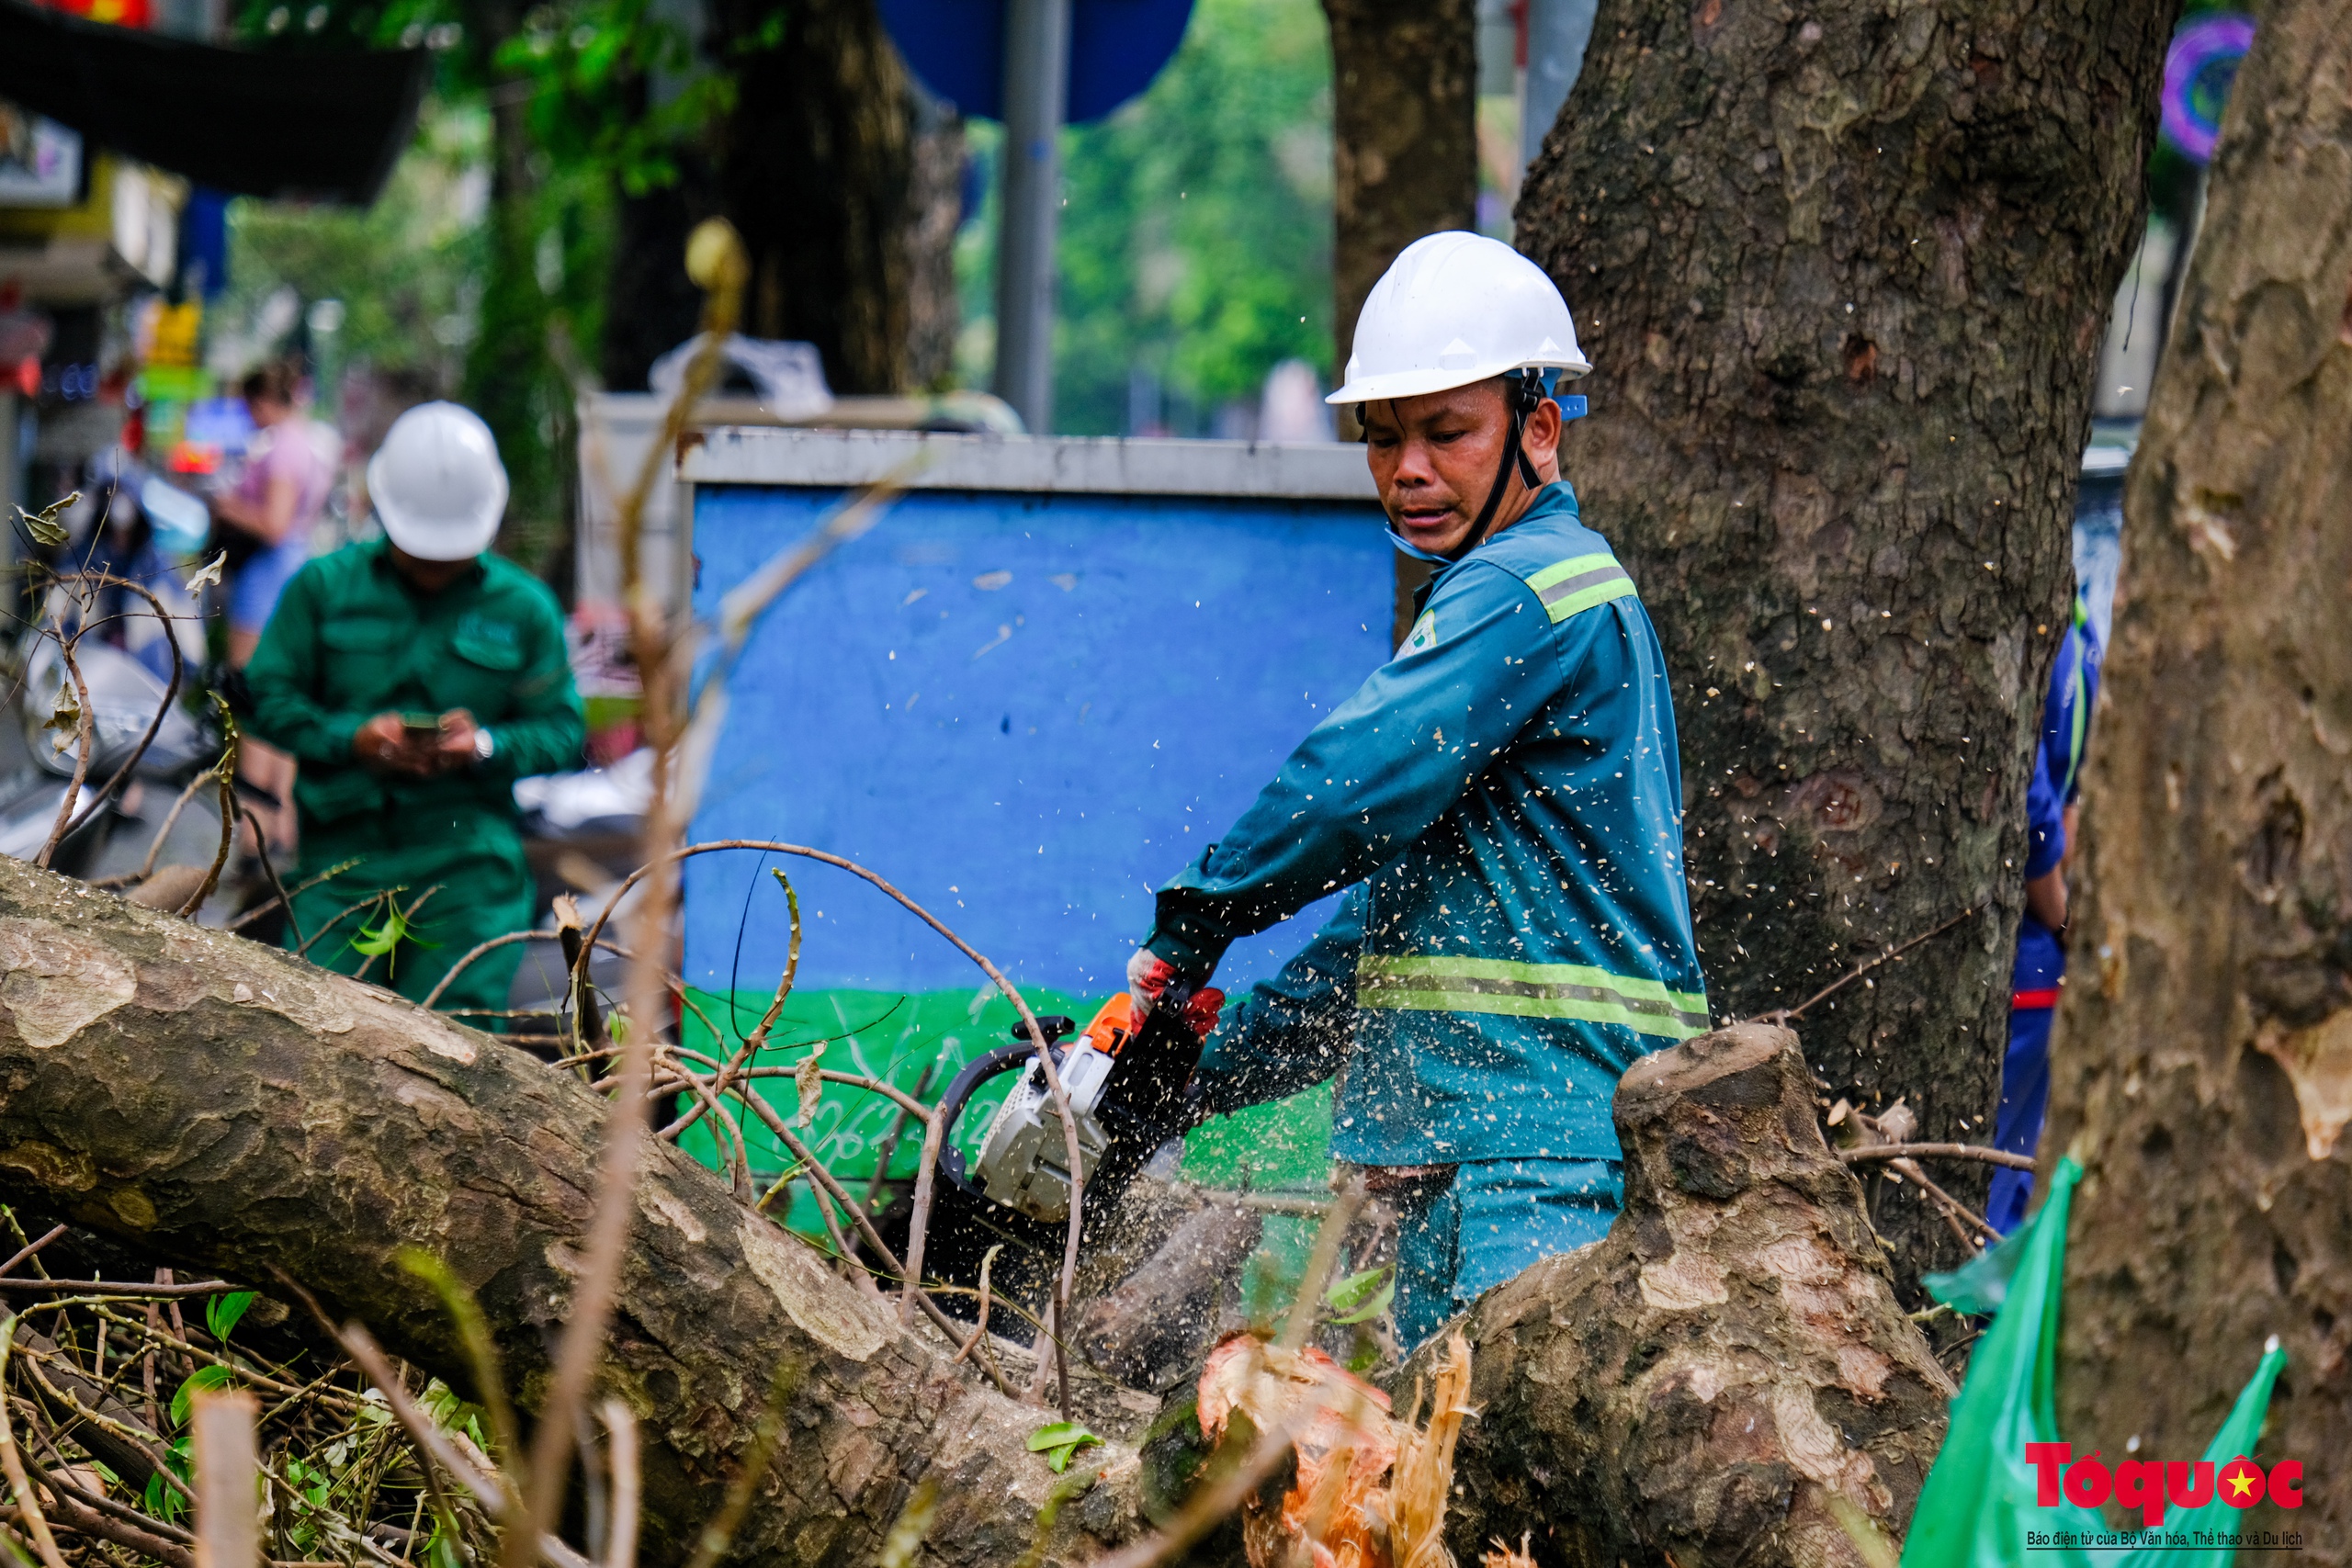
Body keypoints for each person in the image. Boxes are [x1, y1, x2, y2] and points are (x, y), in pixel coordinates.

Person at [1122, 232, 1707, 1348]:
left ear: (1538, 428)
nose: (1408, 471)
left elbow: (1347, 790)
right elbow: (1387, 944)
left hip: (1534, 1152)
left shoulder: (1524, 587)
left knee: (1494, 1491)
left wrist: (1190, 930)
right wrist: (1185, 1077)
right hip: (1491, 1152)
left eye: (1446, 433)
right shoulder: (1519, 615)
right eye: (1383, 440)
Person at [243, 401, 584, 1021]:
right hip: (340, 866)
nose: (433, 565)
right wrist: (354, 739)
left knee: (456, 1056)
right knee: (317, 1040)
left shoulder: (524, 609)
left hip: (467, 869)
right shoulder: (322, 591)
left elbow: (562, 728)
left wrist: (484, 747)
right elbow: (266, 697)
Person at [1986, 591, 2102, 1233]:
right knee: (2013, 1170)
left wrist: (2060, 916)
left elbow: (2038, 797)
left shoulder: (2054, 630)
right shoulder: (2082, 632)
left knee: (1992, 1171)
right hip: (2046, 950)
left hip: (2029, 945)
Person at [210, 362, 335, 848]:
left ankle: (253, 827)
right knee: (283, 696)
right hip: (292, 573)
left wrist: (226, 505)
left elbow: (275, 523)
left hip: (266, 579)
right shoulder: (309, 444)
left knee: (253, 699)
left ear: (264, 400)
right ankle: (279, 822)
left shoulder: (282, 450)